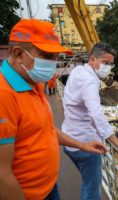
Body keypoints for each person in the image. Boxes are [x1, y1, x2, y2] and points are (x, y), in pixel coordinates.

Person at [0, 19, 107, 200]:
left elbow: (45, 128)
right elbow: (2, 176)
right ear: (19, 54)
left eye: (56, 57)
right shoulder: (4, 95)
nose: (54, 63)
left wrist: (82, 144)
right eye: (48, 56)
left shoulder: (33, 84)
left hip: (48, 188)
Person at [62, 42, 118, 200]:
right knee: (92, 189)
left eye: (111, 64)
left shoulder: (78, 70)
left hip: (70, 138)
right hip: (85, 144)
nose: (108, 67)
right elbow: (95, 113)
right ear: (92, 59)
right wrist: (115, 140)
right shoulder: (90, 81)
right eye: (105, 63)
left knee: (88, 181)